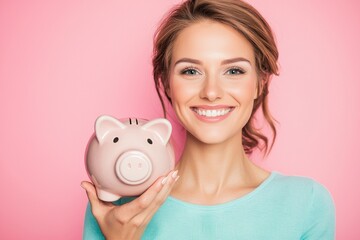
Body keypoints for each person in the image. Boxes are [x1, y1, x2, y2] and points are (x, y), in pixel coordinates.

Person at [81, 0, 335, 239]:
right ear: (167, 83)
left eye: (234, 71)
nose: (211, 92)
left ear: (260, 82)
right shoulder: (118, 210)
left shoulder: (306, 203)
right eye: (191, 71)